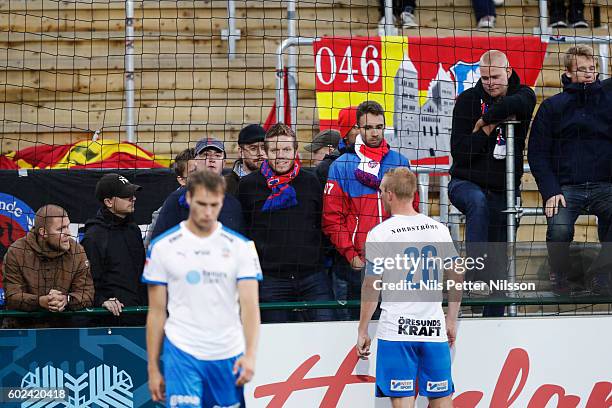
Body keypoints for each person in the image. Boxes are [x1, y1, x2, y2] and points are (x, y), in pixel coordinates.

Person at [144, 170, 262, 407]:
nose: (208, 212)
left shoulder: (242, 248)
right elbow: (156, 312)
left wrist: (250, 356)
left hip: (227, 353)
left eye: (214, 205)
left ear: (222, 201)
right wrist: (153, 368)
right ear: (188, 199)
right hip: (182, 351)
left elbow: (250, 308)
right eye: (201, 204)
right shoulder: (162, 247)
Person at [357, 168, 463, 408]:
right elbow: (457, 272)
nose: (382, 196)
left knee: (403, 403)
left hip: (397, 332)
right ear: (414, 193)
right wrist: (451, 318)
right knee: (442, 400)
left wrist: (363, 329)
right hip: (432, 330)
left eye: (382, 191)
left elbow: (372, 284)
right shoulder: (438, 229)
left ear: (390, 194)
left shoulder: (379, 233)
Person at [449, 50, 536, 316]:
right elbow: (461, 152)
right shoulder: (467, 100)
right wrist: (489, 130)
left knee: (499, 268)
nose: (490, 82)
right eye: (485, 77)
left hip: (504, 190)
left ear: (508, 71)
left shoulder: (523, 94)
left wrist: (485, 120)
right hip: (465, 183)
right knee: (478, 201)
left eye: (496, 76)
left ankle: (493, 323)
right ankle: (475, 276)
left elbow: (521, 102)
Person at [528, 45, 612, 296]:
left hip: (605, 185)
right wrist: (550, 190)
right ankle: (560, 275)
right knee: (560, 228)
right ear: (568, 72)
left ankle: (602, 275)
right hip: (566, 188)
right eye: (581, 69)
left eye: (592, 68)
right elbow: (537, 153)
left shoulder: (609, 100)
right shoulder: (553, 107)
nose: (588, 74)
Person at [323, 100, 418, 318]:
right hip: (356, 264)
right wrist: (351, 255)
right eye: (367, 127)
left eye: (378, 126)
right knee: (353, 330)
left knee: (393, 325)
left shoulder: (400, 162)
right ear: (357, 128)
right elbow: (331, 218)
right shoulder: (342, 166)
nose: (374, 133)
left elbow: (412, 210)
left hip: (394, 263)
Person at [238, 123, 335, 323]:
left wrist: (318, 256)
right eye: (274, 150)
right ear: (265, 152)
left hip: (313, 277)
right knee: (276, 340)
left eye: (286, 149)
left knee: (328, 331)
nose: (280, 155)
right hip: (271, 280)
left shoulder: (311, 182)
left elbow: (323, 223)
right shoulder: (248, 186)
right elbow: (243, 233)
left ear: (295, 151)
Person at [2, 204, 94, 328]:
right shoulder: (16, 252)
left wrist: (66, 300)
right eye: (61, 229)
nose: (68, 233)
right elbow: (12, 296)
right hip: (22, 330)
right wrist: (40, 301)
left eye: (68, 226)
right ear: (43, 232)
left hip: (63, 330)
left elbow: (87, 293)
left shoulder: (77, 251)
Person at [81, 173, 147, 325]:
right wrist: (102, 301)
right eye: (126, 196)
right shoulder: (94, 237)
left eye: (133, 194)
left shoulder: (133, 229)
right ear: (109, 202)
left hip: (141, 315)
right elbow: (88, 283)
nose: (133, 198)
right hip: (111, 321)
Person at [151, 138, 244, 240]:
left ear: (224, 163)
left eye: (217, 155)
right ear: (195, 161)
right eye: (205, 155)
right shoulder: (175, 200)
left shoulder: (233, 204)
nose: (211, 159)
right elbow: (157, 244)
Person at [145, 148, 196, 248]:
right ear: (181, 180)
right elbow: (150, 248)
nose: (201, 175)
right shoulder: (165, 211)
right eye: (194, 172)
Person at [315, 106, 360, 188]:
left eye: (365, 126)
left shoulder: (383, 158)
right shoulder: (327, 167)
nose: (362, 131)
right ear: (345, 134)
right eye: (356, 127)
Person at [226, 124, 267, 196]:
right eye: (253, 148)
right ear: (241, 152)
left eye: (263, 148)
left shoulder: (279, 181)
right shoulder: (225, 185)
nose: (260, 153)